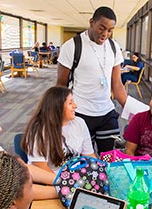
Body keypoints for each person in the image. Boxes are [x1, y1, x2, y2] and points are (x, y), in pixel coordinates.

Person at [56, 6, 128, 154]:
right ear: (91, 22)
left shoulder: (114, 47)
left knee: (111, 158)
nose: (105, 34)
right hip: (80, 113)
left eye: (110, 30)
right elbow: (61, 85)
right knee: (82, 163)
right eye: (102, 28)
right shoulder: (72, 46)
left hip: (106, 113)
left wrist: (134, 112)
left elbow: (117, 85)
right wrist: (58, 115)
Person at [22, 86, 95, 174]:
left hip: (75, 178)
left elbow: (89, 156)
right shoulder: (39, 131)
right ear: (58, 107)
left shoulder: (79, 123)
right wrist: (65, 183)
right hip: (49, 179)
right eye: (70, 103)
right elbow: (41, 168)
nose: (75, 106)